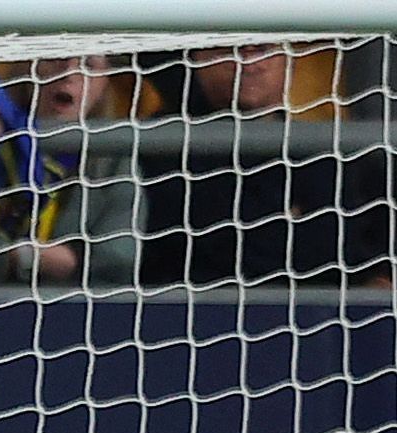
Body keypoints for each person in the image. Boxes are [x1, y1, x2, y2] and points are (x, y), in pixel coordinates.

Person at [137, 43, 393, 288]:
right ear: (196, 56)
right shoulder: (158, 152)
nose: (249, 60)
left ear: (290, 60)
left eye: (264, 48)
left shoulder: (338, 160)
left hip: (324, 326)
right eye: (232, 46)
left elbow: (378, 263)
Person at [0, 55, 143, 288]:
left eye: (88, 65)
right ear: (27, 68)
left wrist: (21, 256)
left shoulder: (115, 163)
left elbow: (118, 262)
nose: (69, 75)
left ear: (105, 82)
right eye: (54, 60)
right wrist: (25, 257)